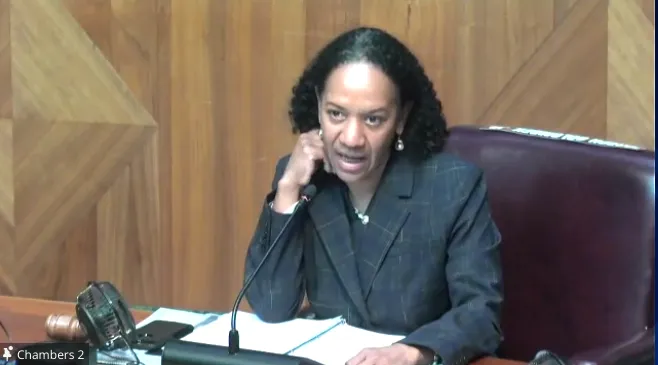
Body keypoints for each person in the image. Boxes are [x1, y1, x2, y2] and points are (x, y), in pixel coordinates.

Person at [244, 26, 503, 365]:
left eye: (373, 119)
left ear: (401, 118)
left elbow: (482, 313)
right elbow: (271, 305)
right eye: (336, 113)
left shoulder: (453, 187)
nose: (351, 138)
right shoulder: (303, 180)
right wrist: (288, 189)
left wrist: (414, 352)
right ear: (319, 104)